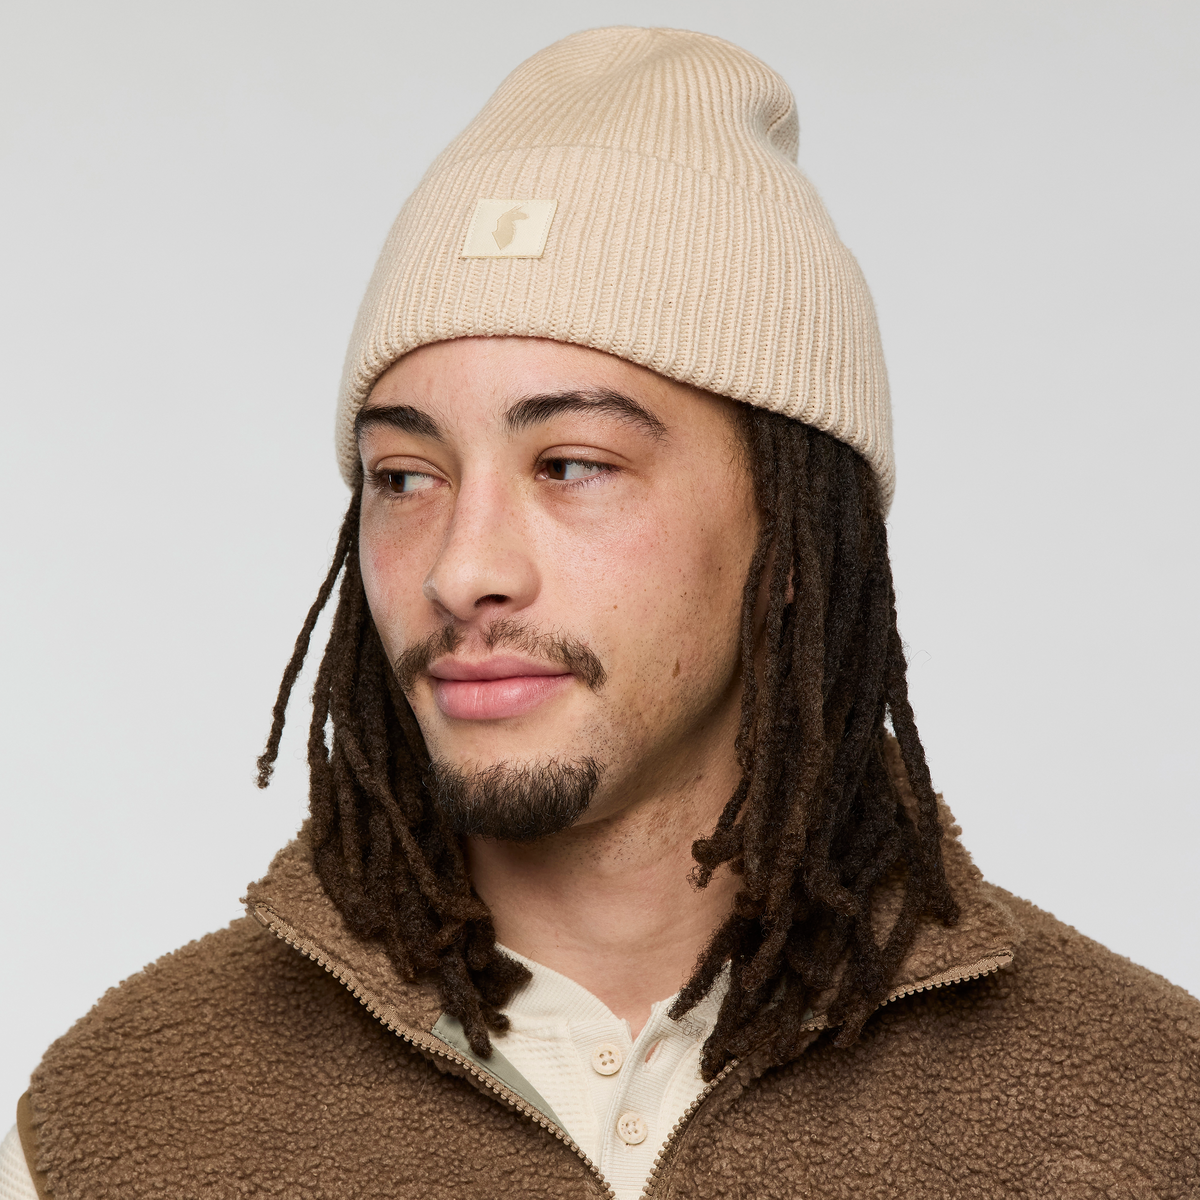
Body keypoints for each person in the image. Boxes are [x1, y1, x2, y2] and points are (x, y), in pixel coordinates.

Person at [3, 26, 1196, 1200]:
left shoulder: (1146, 1116)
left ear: (791, 533)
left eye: (572, 464)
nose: (462, 569)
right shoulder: (110, 1134)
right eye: (405, 478)